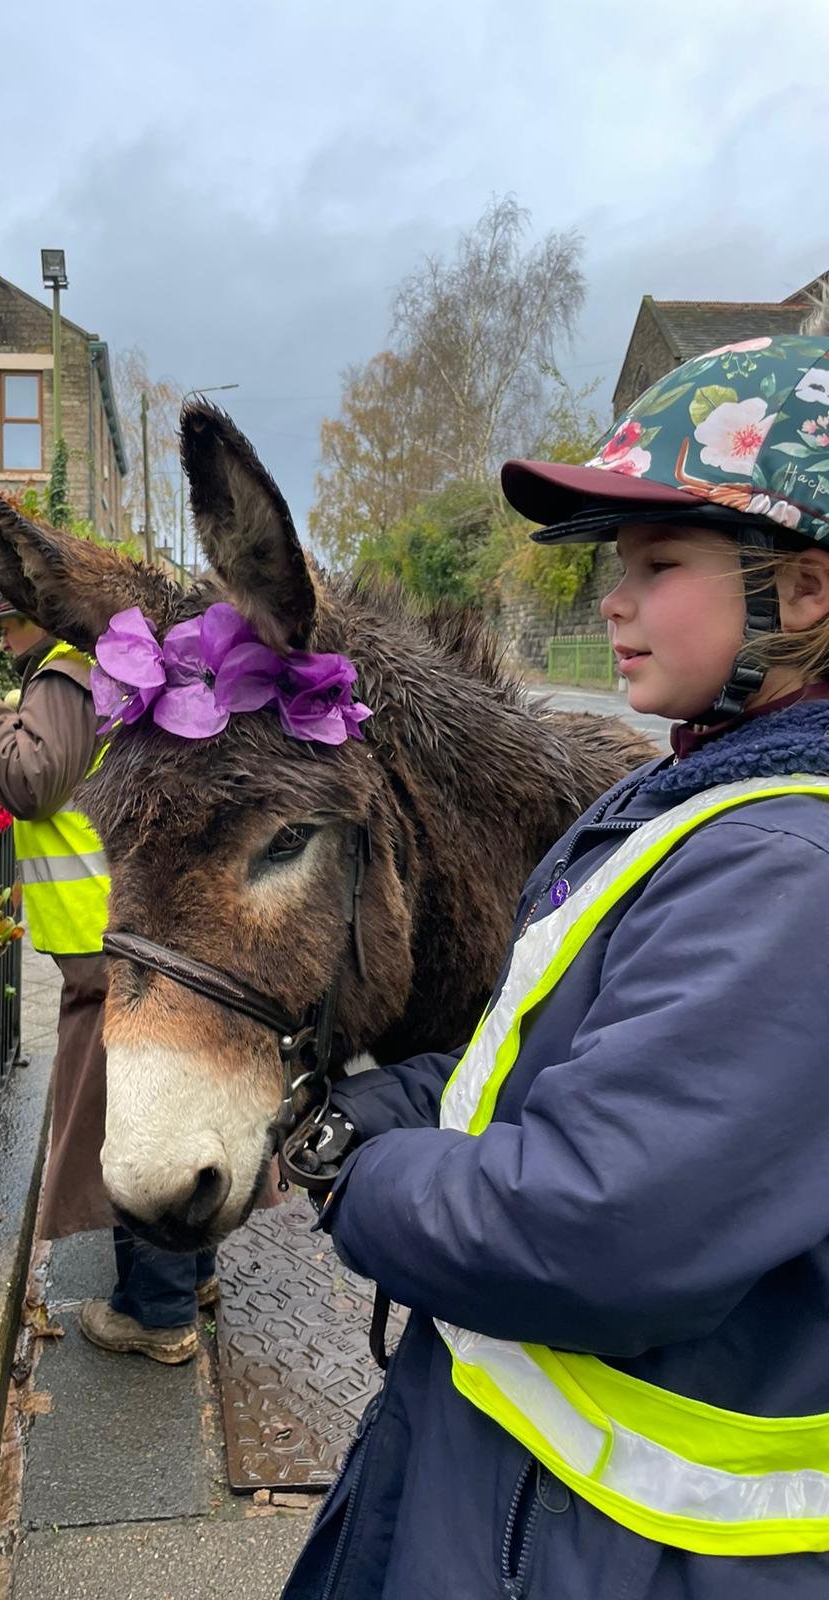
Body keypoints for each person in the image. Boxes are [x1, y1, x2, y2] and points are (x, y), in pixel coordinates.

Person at [283, 332, 829, 1600]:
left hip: (621, 1551)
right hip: (524, 1506)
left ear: (803, 593)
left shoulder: (788, 868)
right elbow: (533, 1068)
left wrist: (355, 1177)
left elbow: (598, 1222)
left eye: (658, 563)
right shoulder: (709, 793)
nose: (612, 602)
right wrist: (370, 1106)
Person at [0, 593, 216, 1363]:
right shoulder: (110, 672)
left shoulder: (66, 673)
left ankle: (156, 1312)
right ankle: (192, 1275)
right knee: (168, 1098)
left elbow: (32, 780)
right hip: (136, 928)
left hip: (103, 934)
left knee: (126, 1118)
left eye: (9, 622)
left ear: (44, 615)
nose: (5, 640)